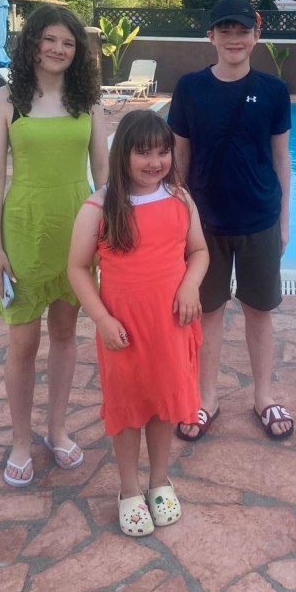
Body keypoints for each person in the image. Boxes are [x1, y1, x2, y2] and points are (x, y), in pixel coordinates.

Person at [0, 5, 109, 488]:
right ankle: (21, 439)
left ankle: (57, 429)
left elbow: (103, 173)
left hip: (76, 227)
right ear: (33, 43)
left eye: (68, 43)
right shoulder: (6, 100)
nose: (59, 49)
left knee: (64, 333)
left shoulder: (88, 101)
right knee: (22, 341)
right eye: (50, 39)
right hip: (24, 228)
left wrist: (110, 232)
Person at [67, 110, 208, 536]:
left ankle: (159, 480)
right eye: (143, 153)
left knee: (164, 404)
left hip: (170, 326)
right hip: (123, 332)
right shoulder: (99, 207)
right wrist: (101, 318)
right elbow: (77, 268)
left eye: (162, 152)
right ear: (123, 153)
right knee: (128, 409)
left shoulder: (179, 198)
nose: (155, 162)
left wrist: (190, 285)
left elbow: (199, 251)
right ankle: (129, 488)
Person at [167, 0, 293, 442]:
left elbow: (281, 158)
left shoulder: (274, 90)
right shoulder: (190, 88)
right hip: (205, 224)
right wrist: (178, 219)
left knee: (259, 311)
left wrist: (284, 220)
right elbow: (179, 157)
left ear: (256, 36)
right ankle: (206, 398)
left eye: (242, 31)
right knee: (208, 313)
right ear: (211, 36)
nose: (234, 39)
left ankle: (264, 395)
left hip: (259, 217)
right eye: (225, 30)